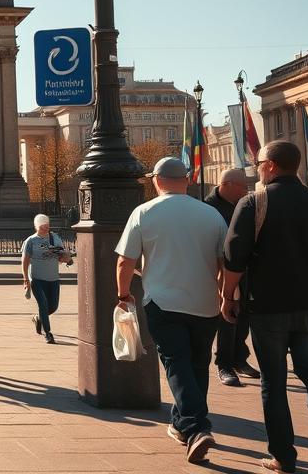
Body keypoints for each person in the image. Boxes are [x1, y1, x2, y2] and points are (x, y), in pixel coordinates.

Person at [222, 142, 308, 474]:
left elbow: (234, 257)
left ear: (271, 166)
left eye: (259, 162)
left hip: (268, 308)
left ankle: (283, 457)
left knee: (273, 381)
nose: (257, 167)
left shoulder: (254, 202)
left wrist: (228, 296)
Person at [115, 157, 227, 465]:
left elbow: (126, 261)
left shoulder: (144, 212)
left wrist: (123, 294)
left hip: (163, 301)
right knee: (197, 365)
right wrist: (225, 296)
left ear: (156, 181)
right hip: (206, 304)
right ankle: (181, 424)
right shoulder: (212, 214)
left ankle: (196, 427)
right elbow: (224, 263)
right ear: (187, 180)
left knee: (177, 364)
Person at [204, 168, 260, 388]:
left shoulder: (244, 205)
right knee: (227, 319)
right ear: (226, 184)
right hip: (222, 272)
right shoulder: (208, 208)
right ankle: (224, 364)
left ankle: (239, 358)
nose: (246, 190)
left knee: (244, 316)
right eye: (242, 186)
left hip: (245, 270)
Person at [20, 214, 71, 345]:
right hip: (37, 279)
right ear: (37, 226)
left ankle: (38, 318)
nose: (46, 228)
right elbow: (25, 261)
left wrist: (67, 258)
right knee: (43, 304)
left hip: (53, 278)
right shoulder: (31, 241)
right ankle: (48, 333)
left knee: (52, 307)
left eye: (47, 225)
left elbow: (62, 256)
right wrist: (26, 279)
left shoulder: (55, 238)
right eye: (43, 226)